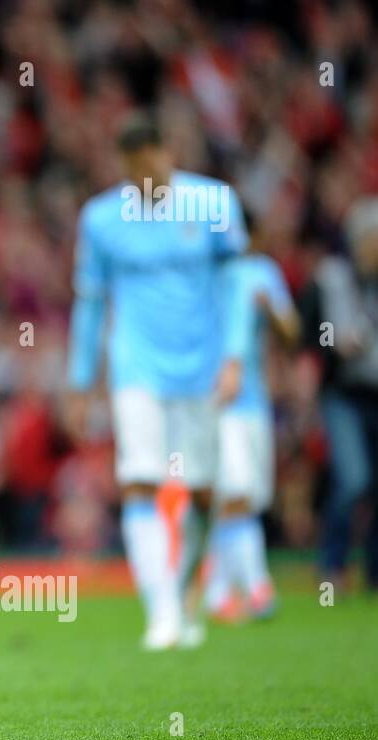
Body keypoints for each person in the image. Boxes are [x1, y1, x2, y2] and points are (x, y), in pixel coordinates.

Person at [65, 115, 248, 650]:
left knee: (203, 490)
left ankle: (187, 591)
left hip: (202, 367)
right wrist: (80, 381)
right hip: (136, 367)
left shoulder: (213, 203)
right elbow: (90, 303)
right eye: (134, 170)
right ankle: (161, 610)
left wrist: (235, 357)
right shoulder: (102, 218)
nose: (145, 179)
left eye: (153, 166)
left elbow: (235, 284)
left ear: (170, 153)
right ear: (122, 166)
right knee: (140, 480)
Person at [204, 226, 299, 621]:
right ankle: (258, 587)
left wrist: (270, 308)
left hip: (254, 401)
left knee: (251, 498)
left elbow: (293, 333)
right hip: (213, 400)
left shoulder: (261, 272)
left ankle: (217, 590)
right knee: (237, 492)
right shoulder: (197, 274)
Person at [300, 198, 378, 592]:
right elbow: (311, 332)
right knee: (353, 478)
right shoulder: (331, 278)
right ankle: (332, 566)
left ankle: (374, 572)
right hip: (344, 392)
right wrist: (336, 344)